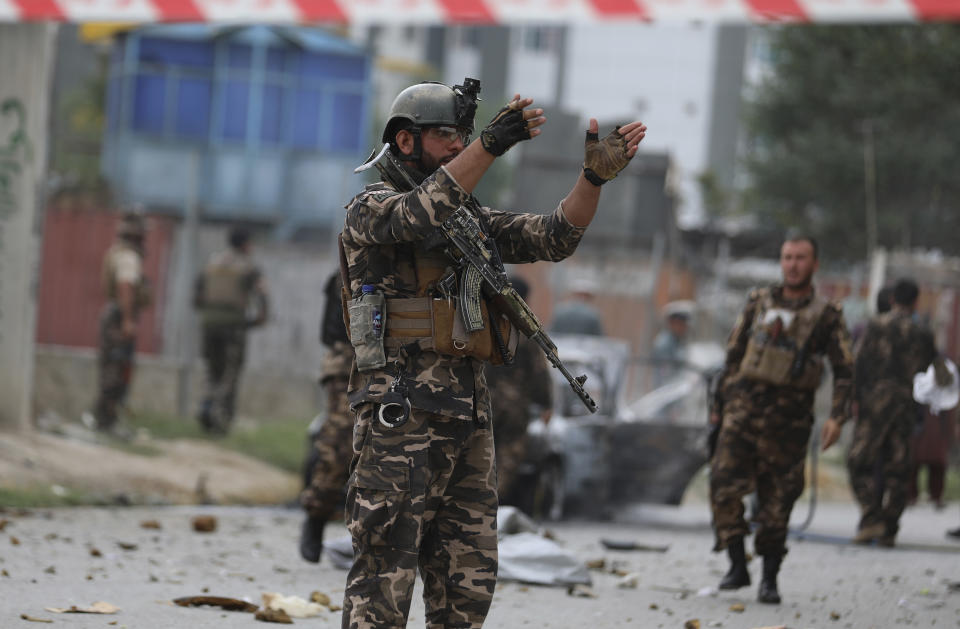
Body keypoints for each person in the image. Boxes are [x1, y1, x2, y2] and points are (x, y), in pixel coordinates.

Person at [338, 78, 645, 627]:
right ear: (406, 143)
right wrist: (492, 144)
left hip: (468, 424)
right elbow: (414, 217)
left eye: (463, 136)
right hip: (400, 422)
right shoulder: (370, 208)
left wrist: (593, 179)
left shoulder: (467, 220)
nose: (459, 145)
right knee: (383, 582)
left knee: (468, 585)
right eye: (444, 136)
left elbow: (553, 237)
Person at [709, 234, 853, 605]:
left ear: (814, 264)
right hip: (742, 413)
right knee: (723, 486)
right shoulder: (758, 302)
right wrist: (718, 404)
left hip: (788, 423)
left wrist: (837, 416)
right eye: (787, 257)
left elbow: (845, 369)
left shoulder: (826, 314)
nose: (792, 264)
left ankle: (769, 579)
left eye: (800, 258)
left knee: (778, 502)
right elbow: (734, 354)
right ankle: (737, 563)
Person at [847, 278, 952, 546]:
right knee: (898, 469)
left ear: (892, 299)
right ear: (916, 301)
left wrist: (850, 401)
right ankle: (889, 528)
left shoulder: (875, 326)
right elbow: (940, 375)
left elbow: (857, 365)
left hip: (875, 406)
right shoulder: (924, 333)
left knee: (859, 462)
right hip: (906, 408)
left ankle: (871, 518)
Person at [299, 271, 355, 563]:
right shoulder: (349, 269)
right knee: (339, 448)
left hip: (403, 367)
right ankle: (316, 517)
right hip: (350, 363)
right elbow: (330, 332)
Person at [483, 276, 553, 503]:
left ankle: (475, 501)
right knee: (508, 455)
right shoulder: (526, 327)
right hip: (514, 404)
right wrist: (546, 404)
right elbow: (539, 371)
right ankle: (493, 502)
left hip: (482, 398)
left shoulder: (482, 318)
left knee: (479, 451)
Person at [193, 226, 268, 434]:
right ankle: (221, 418)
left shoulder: (211, 262)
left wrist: (207, 313)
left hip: (209, 323)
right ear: (245, 244)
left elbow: (197, 295)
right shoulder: (248, 266)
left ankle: (206, 404)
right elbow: (262, 293)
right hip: (233, 326)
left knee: (212, 368)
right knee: (230, 371)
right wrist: (260, 318)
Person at [90, 209, 151, 434]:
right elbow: (125, 286)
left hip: (115, 314)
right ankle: (107, 421)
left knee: (113, 368)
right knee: (116, 370)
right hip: (119, 316)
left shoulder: (118, 252)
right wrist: (127, 320)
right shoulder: (128, 256)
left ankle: (105, 420)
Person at [651, 300, 694, 386]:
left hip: (676, 391)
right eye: (681, 323)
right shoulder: (664, 344)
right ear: (672, 323)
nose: (685, 327)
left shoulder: (678, 341)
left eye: (685, 323)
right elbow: (665, 375)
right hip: (665, 393)